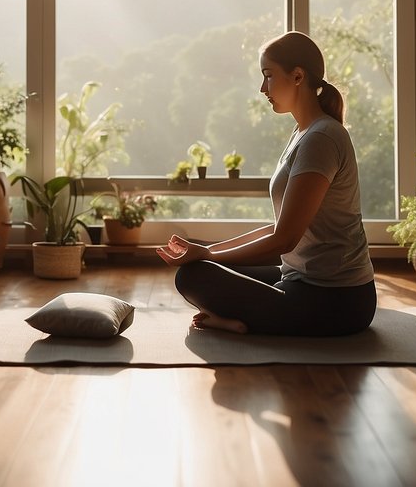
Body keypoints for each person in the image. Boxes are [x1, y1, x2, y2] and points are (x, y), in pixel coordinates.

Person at [156, 31, 376, 336]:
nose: (263, 88)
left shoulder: (321, 138)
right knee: (199, 269)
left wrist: (207, 255)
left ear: (298, 76)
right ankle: (245, 319)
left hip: (337, 301)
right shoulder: (304, 133)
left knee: (193, 277)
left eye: (268, 76)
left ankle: (245, 322)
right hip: (298, 279)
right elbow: (277, 228)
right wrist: (206, 250)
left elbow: (284, 240)